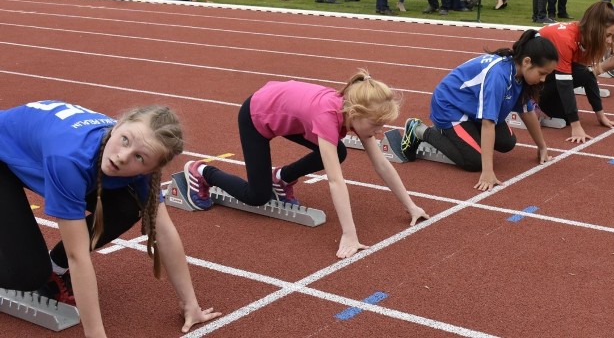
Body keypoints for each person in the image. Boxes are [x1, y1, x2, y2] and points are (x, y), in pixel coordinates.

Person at [0, 101, 221, 335]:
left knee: (128, 205)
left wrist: (190, 305)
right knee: (28, 276)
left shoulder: (139, 163)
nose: (123, 156)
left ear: (151, 169)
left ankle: (55, 268)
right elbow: (78, 255)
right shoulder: (69, 159)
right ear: (118, 125)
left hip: (30, 148)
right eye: (125, 140)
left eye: (139, 157)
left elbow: (163, 231)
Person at [182, 70, 429, 259]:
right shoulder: (327, 116)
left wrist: (411, 206)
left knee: (337, 151)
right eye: (376, 126)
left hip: (286, 114)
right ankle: (203, 172)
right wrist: (349, 234)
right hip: (257, 115)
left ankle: (282, 177)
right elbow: (335, 180)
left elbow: (382, 165)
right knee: (258, 195)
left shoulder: (351, 111)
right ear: (354, 113)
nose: (379, 132)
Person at [400, 30, 558, 191]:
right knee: (474, 161)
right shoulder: (498, 76)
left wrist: (542, 147)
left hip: (472, 109)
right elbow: (488, 124)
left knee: (507, 142)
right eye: (542, 73)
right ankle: (420, 130)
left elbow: (527, 111)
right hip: (450, 107)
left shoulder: (519, 74)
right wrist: (488, 171)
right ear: (527, 62)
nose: (544, 79)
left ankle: (462, 135)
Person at [538, 2, 614, 143]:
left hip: (547, 75)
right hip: (530, 80)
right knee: (567, 117)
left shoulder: (584, 35)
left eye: (612, 36)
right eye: (607, 35)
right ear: (596, 29)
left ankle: (544, 103)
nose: (609, 41)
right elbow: (564, 83)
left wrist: (601, 116)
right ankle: (531, 103)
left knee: (585, 74)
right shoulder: (566, 39)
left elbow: (589, 77)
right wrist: (576, 126)